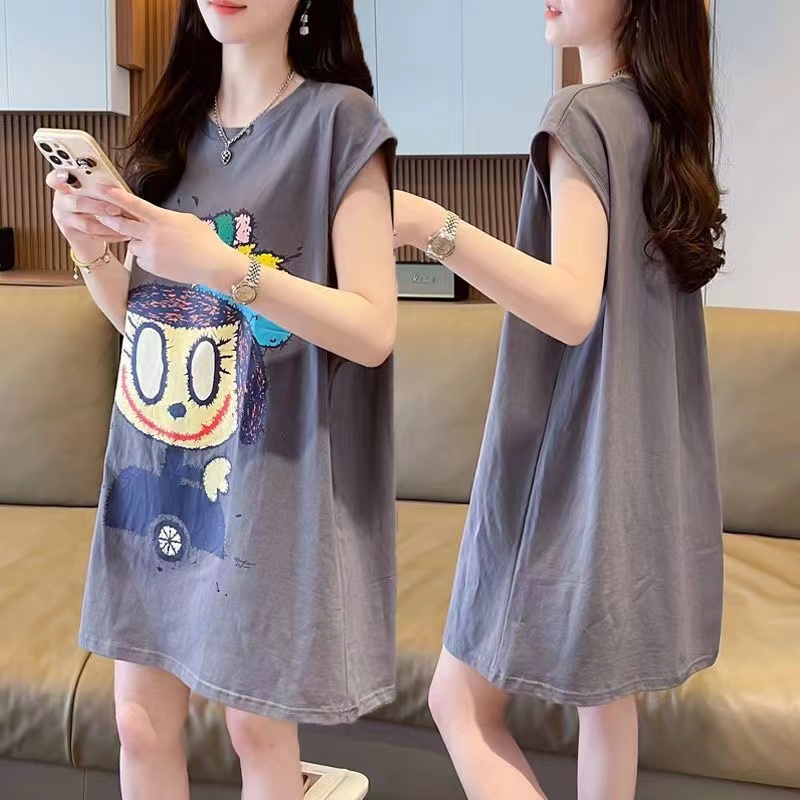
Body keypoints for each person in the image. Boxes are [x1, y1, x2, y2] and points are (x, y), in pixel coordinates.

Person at [46, 1, 397, 798]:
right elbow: (148, 324)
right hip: (156, 456)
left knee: (255, 728)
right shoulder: (171, 128)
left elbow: (373, 329)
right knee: (138, 725)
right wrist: (90, 248)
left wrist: (220, 264)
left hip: (267, 471)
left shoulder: (340, 122)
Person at [393, 1, 726, 798]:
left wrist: (428, 225)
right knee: (607, 704)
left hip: (566, 472)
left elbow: (573, 308)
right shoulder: (659, 125)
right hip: (642, 472)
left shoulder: (580, 116)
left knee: (457, 702)